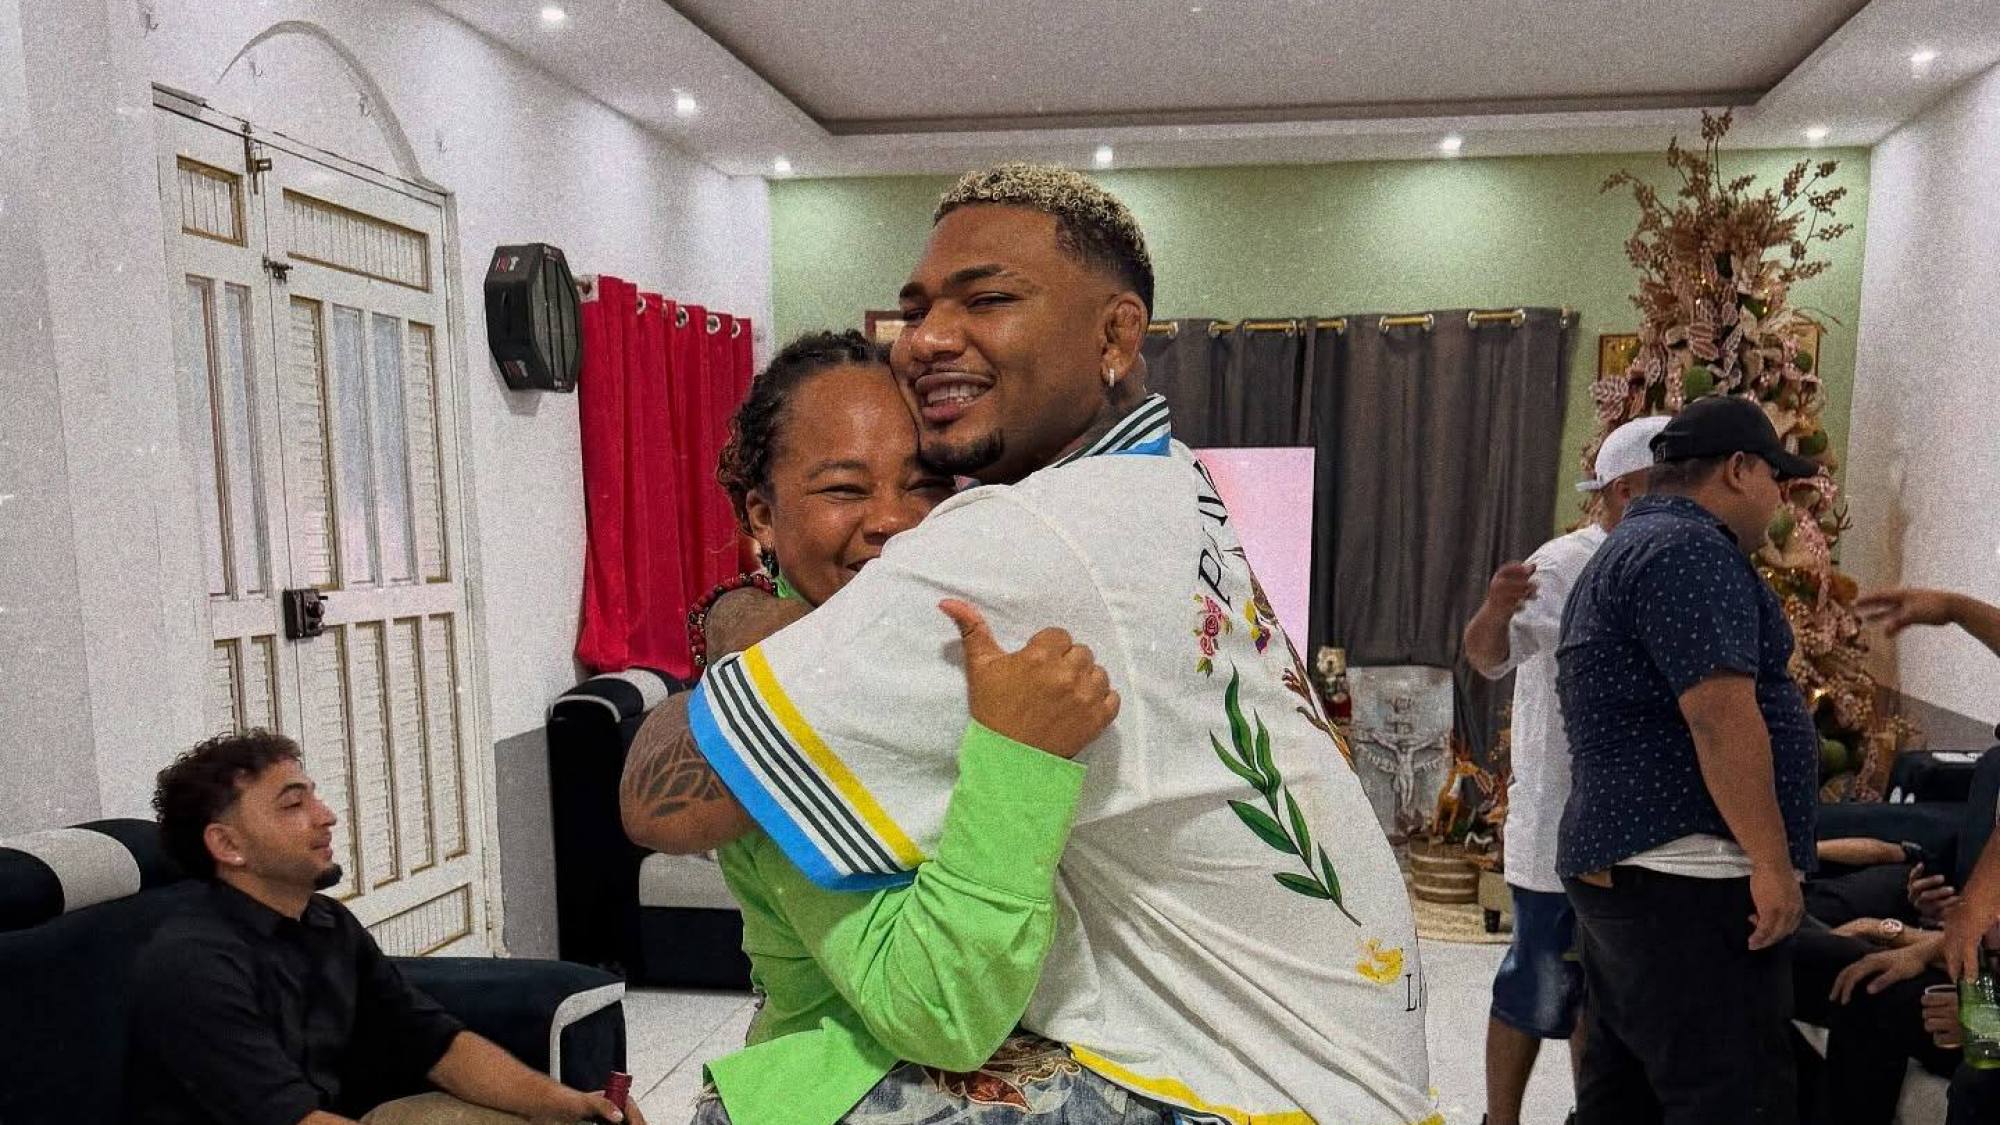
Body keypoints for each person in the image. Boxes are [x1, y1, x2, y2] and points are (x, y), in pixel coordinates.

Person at [622, 164, 1435, 1124]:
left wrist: (736, 625)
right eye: (917, 309)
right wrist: (746, 622)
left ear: (1116, 336)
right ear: (760, 514)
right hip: (1349, 1064)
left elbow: (661, 802)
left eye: (989, 299)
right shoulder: (1168, 476)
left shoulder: (1011, 541)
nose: (929, 338)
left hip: (1255, 1088)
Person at [670, 331, 1162, 1124]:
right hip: (847, 1085)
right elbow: (939, 1012)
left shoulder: (952, 642)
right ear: (762, 514)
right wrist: (1022, 756)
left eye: (926, 485)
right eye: (844, 488)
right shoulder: (788, 707)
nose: (896, 522)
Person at [127, 731, 641, 1125]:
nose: (326, 816)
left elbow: (437, 1045)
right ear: (227, 845)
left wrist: (568, 1103)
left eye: (314, 796)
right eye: (293, 805)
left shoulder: (326, 923)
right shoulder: (194, 964)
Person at [1554, 394, 1823, 1124]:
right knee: (1730, 1099)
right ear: (1738, 469)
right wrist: (1771, 862)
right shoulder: (1690, 550)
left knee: (1626, 1098)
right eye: (1777, 479)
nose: (1781, 502)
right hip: (1689, 875)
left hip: (1640, 869)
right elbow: (1719, 717)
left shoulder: (1636, 543)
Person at [1462, 414, 1667, 1125]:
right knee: (1539, 983)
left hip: (1638, 827)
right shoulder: (1561, 565)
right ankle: (1500, 1119)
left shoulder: (1676, 560)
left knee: (1605, 997)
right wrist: (1495, 608)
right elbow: (1486, 656)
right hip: (1558, 820)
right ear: (1626, 491)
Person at [1851, 585, 2000, 1124]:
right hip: (1984, 987)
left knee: (1981, 1080)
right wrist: (1913, 942)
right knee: (1870, 992)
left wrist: (1985, 1025)